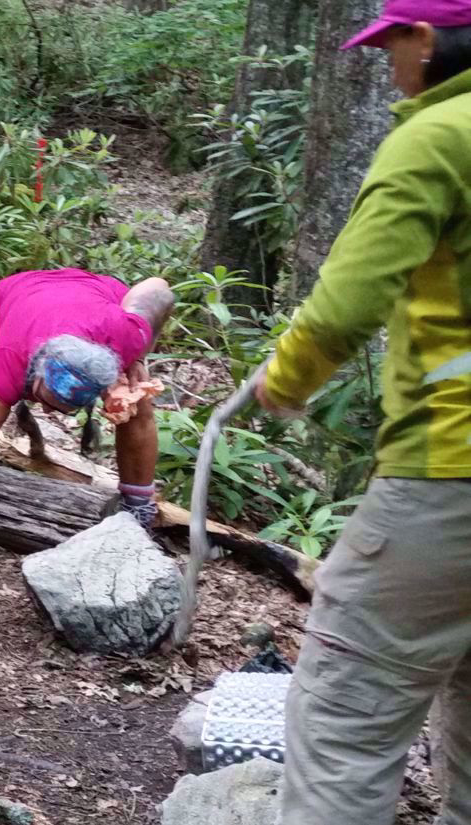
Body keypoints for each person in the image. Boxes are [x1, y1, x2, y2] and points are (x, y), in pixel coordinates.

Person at [245, 3, 471, 821]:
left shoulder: (437, 135)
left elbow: (346, 306)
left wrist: (288, 377)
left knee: (346, 724)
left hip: (450, 479)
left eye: (393, 47)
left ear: (427, 38)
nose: (389, 67)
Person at [0, 268, 174, 528]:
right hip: (25, 295)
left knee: (135, 400)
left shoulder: (127, 335)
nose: (46, 414)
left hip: (100, 302)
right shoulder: (11, 360)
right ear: (35, 374)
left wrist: (138, 356)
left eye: (62, 410)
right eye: (43, 401)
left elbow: (158, 286)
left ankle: (138, 505)